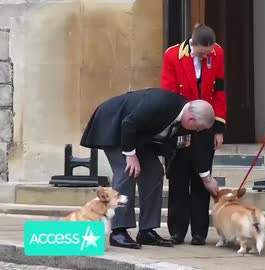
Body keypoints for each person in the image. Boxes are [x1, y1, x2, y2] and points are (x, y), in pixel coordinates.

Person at [80, 88, 217, 249]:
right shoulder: (161, 103)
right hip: (114, 125)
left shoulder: (185, 118)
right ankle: (118, 231)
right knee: (127, 170)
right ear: (191, 119)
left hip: (138, 137)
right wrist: (130, 155)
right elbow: (128, 123)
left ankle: (147, 230)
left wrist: (205, 177)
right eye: (198, 128)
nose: (197, 131)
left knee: (154, 171)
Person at [161, 24, 227, 246]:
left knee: (201, 180)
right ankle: (177, 231)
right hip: (182, 121)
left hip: (206, 124)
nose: (205, 57)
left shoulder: (217, 53)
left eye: (208, 54)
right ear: (193, 42)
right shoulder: (172, 55)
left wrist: (218, 128)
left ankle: (199, 232)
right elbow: (168, 93)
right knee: (178, 178)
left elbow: (219, 91)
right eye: (201, 53)